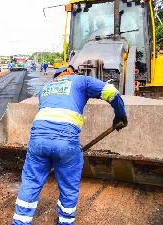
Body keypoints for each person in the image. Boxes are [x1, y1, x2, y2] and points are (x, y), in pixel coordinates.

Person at [12, 65, 127, 225]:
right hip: (65, 142)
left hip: (38, 141)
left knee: (31, 182)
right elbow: (111, 92)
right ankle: (65, 221)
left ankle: (20, 222)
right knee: (68, 186)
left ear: (56, 77)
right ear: (71, 72)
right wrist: (120, 115)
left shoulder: (46, 88)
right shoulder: (81, 80)